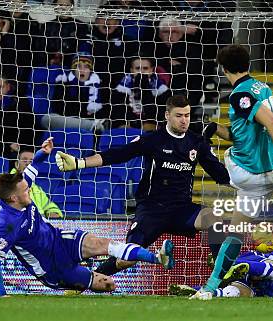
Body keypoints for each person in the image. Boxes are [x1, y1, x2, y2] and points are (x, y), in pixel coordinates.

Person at [55, 95, 230, 276]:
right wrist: (79, 163)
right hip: (151, 210)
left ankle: (220, 274)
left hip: (181, 210)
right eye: (179, 116)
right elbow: (118, 154)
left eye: (187, 115)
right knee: (126, 259)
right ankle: (87, 279)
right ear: (167, 115)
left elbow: (218, 172)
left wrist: (249, 182)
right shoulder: (153, 140)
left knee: (213, 217)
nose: (184, 120)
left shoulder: (196, 142)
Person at [0, 138, 175, 296]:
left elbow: (33, 166)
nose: (30, 190)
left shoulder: (17, 187)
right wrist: (2, 295)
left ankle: (158, 258)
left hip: (58, 239)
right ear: (13, 198)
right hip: (52, 267)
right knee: (108, 284)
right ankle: (77, 282)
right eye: (26, 191)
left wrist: (44, 153)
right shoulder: (6, 224)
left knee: (102, 243)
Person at [195, 44, 273, 300]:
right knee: (235, 231)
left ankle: (199, 152)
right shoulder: (261, 87)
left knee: (211, 156)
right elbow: (244, 134)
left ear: (223, 69)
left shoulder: (239, 95)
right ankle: (210, 289)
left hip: (251, 172)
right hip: (269, 174)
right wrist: (216, 129)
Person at [41, 53, 108, 132]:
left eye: (86, 67)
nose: (82, 70)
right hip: (67, 123)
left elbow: (102, 113)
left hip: (91, 125)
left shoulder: (99, 87)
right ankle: (92, 126)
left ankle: (93, 126)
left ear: (90, 70)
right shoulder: (63, 85)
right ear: (74, 69)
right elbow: (60, 110)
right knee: (46, 119)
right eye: (78, 66)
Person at [111, 57, 170, 130]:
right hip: (128, 128)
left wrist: (146, 89)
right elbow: (118, 115)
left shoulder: (161, 89)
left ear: (151, 70)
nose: (141, 72)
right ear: (131, 70)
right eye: (137, 68)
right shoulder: (121, 89)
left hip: (151, 127)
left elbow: (158, 116)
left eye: (145, 68)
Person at [10, 147, 63, 219]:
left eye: (31, 161)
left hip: (37, 225)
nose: (28, 163)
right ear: (16, 164)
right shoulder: (7, 184)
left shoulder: (37, 189)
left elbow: (49, 205)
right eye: (24, 160)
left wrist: (52, 212)